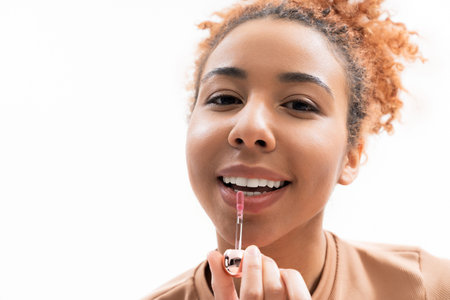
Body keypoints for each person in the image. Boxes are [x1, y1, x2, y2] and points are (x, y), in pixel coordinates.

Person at [146, 0, 450, 299]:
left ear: (352, 155)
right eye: (225, 99)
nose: (249, 129)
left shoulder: (430, 287)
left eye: (299, 104)